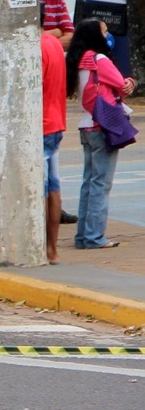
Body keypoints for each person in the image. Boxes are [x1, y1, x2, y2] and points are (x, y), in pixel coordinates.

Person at [69, 18, 135, 250]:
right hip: (103, 125)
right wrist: (130, 82)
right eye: (105, 31)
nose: (108, 35)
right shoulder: (100, 59)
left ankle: (83, 236)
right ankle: (95, 236)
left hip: (86, 125)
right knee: (101, 184)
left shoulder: (78, 60)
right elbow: (121, 84)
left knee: (89, 182)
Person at [40, 25, 69, 264]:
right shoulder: (54, 45)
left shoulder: (36, 47)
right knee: (53, 187)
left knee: (39, 189)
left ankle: (42, 246)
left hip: (41, 124)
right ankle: (52, 248)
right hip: (57, 120)